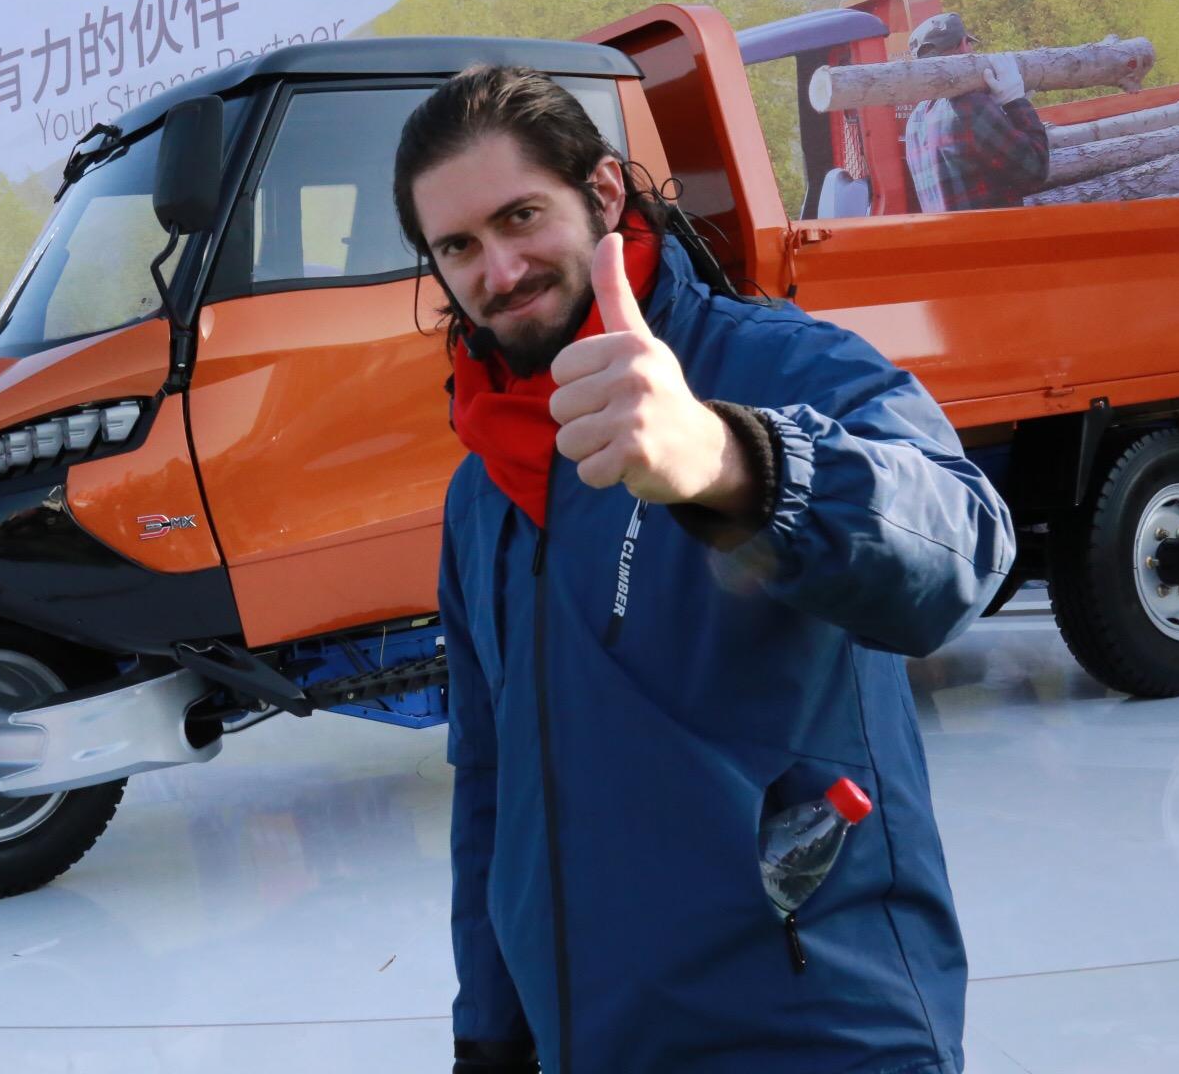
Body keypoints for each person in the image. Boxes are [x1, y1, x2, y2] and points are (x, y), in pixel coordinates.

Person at [391, 65, 1016, 1073]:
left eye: (520, 216)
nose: (498, 270)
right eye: (458, 246)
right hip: (598, 1043)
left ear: (603, 192)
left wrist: (735, 461)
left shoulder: (772, 363)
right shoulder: (482, 493)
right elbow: (491, 789)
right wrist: (491, 1034)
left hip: (818, 1028)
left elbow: (967, 547)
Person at [902, 11, 1051, 211]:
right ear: (964, 45)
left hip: (950, 231)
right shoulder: (970, 106)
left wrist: (1000, 112)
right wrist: (1016, 102)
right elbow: (1036, 170)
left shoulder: (915, 120)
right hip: (992, 231)